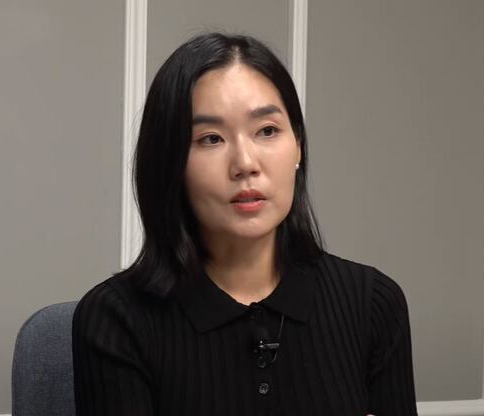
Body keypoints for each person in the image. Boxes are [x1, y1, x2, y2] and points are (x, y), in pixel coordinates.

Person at [72, 32, 418, 416]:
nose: (245, 163)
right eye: (211, 139)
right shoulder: (115, 320)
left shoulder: (373, 305)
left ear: (298, 145)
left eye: (267, 131)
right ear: (170, 161)